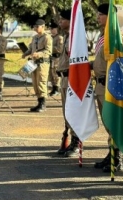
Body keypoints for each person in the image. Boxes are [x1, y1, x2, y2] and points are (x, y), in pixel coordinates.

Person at [92, 3, 123, 173]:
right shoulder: (103, 36)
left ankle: (118, 157)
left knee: (114, 122)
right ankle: (111, 153)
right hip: (100, 85)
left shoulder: (118, 38)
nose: (98, 17)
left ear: (111, 17)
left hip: (112, 87)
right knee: (108, 123)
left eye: (101, 14)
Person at [55, 10, 81, 157]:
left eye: (63, 19)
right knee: (67, 113)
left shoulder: (75, 38)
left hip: (72, 79)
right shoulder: (67, 37)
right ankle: (70, 138)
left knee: (73, 112)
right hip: (65, 78)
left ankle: (76, 143)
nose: (60, 21)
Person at [22, 19, 52, 112]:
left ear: (43, 27)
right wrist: (25, 53)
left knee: (41, 82)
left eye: (37, 26)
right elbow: (31, 48)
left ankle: (43, 104)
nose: (35, 28)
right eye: (34, 26)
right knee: (35, 83)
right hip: (33, 63)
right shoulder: (35, 37)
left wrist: (38, 54)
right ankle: (39, 102)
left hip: (42, 63)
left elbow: (48, 51)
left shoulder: (47, 37)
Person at [48, 22, 63, 97]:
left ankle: (57, 89)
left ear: (56, 29)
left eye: (52, 28)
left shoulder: (59, 37)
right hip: (51, 57)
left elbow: (60, 49)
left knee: (56, 74)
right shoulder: (50, 37)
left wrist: (49, 48)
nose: (51, 30)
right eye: (50, 28)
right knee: (51, 74)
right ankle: (53, 88)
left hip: (56, 58)